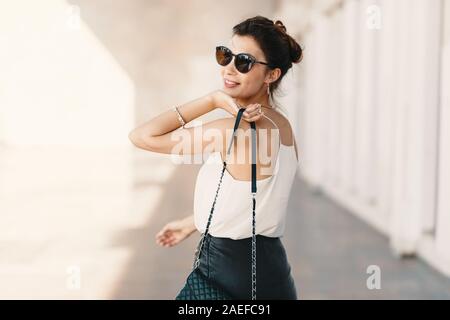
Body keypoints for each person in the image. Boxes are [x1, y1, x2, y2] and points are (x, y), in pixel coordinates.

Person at [129, 15, 303, 300]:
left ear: (271, 75)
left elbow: (142, 136)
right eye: (226, 55)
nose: (230, 68)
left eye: (244, 61)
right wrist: (191, 222)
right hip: (274, 276)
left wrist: (212, 100)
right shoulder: (283, 127)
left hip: (225, 278)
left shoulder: (231, 131)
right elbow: (253, 201)